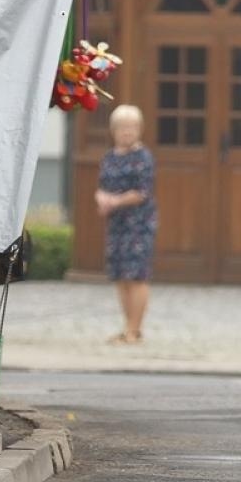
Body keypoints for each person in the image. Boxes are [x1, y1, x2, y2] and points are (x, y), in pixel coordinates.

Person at [95, 104, 156, 344]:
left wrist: (116, 201)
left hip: (138, 224)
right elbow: (102, 186)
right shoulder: (109, 156)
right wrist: (101, 198)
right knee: (120, 275)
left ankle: (135, 329)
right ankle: (127, 326)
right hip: (116, 223)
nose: (127, 132)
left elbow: (143, 192)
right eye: (122, 128)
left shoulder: (143, 157)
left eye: (132, 127)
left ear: (140, 129)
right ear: (113, 130)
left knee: (137, 275)